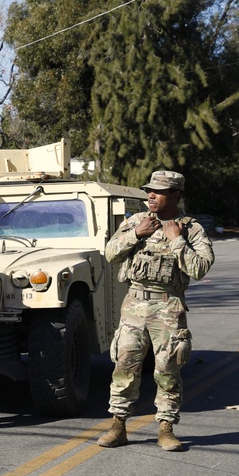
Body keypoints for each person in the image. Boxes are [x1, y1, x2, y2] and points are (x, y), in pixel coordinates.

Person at [98, 170, 214, 451]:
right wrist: (136, 234)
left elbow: (200, 268)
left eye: (158, 191)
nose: (150, 195)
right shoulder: (136, 222)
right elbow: (110, 253)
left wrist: (177, 240)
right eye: (149, 190)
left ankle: (166, 428)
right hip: (135, 303)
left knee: (167, 368)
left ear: (175, 195)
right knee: (125, 364)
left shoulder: (191, 229)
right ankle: (118, 426)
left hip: (168, 306)